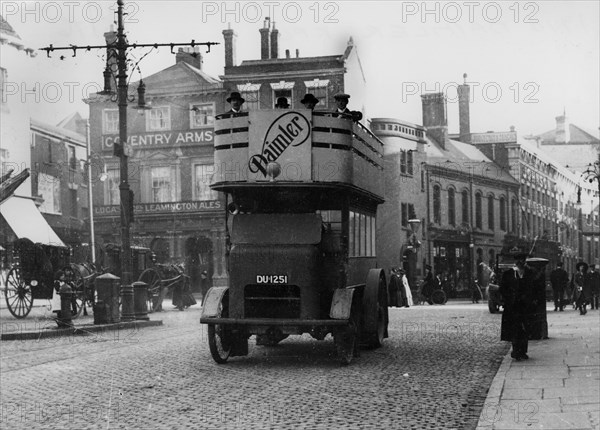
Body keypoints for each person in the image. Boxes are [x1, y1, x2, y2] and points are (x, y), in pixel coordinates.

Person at [499, 252, 537, 361]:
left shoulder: (529, 273)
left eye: (522, 260)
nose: (520, 262)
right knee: (515, 328)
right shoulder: (509, 274)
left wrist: (530, 299)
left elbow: (533, 288)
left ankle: (523, 351)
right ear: (515, 261)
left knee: (525, 328)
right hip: (512, 306)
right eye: (518, 260)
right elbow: (503, 289)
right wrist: (508, 299)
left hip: (525, 306)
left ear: (524, 261)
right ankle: (515, 350)